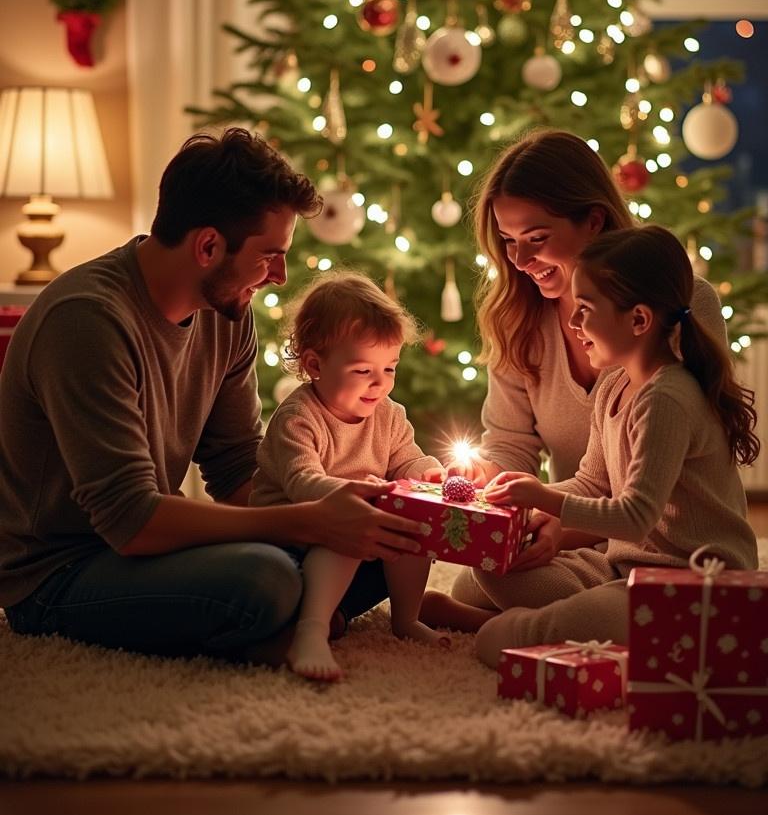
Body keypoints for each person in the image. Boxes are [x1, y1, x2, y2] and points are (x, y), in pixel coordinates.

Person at [0, 127, 426, 663]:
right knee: (265, 579)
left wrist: (344, 516)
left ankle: (285, 622)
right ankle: (277, 619)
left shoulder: (226, 314)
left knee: (386, 538)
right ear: (207, 245)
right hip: (62, 571)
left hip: (154, 543)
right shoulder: (87, 321)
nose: (280, 276)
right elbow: (129, 521)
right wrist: (306, 522)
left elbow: (237, 468)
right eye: (270, 256)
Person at [420, 129, 730, 632]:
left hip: (663, 546)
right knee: (480, 576)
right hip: (597, 537)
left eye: (537, 240)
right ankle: (550, 609)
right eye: (508, 242)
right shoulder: (518, 321)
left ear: (594, 221)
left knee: (509, 597)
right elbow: (521, 450)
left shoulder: (678, 306)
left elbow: (654, 498)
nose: (520, 262)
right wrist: (482, 492)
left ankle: (502, 627)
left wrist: (558, 520)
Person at [473, 224, 758, 666]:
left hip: (694, 579)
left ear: (639, 320)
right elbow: (592, 481)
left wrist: (544, 497)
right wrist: (513, 501)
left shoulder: (667, 398)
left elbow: (634, 516)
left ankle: (515, 625)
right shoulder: (615, 388)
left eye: (585, 308)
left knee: (500, 639)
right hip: (626, 568)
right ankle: (570, 617)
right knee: (494, 568)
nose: (572, 322)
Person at [250, 272, 449, 681]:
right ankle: (311, 631)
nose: (380, 384)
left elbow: (406, 459)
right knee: (344, 528)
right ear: (314, 365)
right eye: (363, 371)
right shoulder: (298, 418)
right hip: (295, 540)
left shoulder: (389, 415)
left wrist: (428, 473)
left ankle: (406, 618)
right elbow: (303, 482)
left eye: (389, 368)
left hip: (360, 535)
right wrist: (354, 494)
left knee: (413, 524)